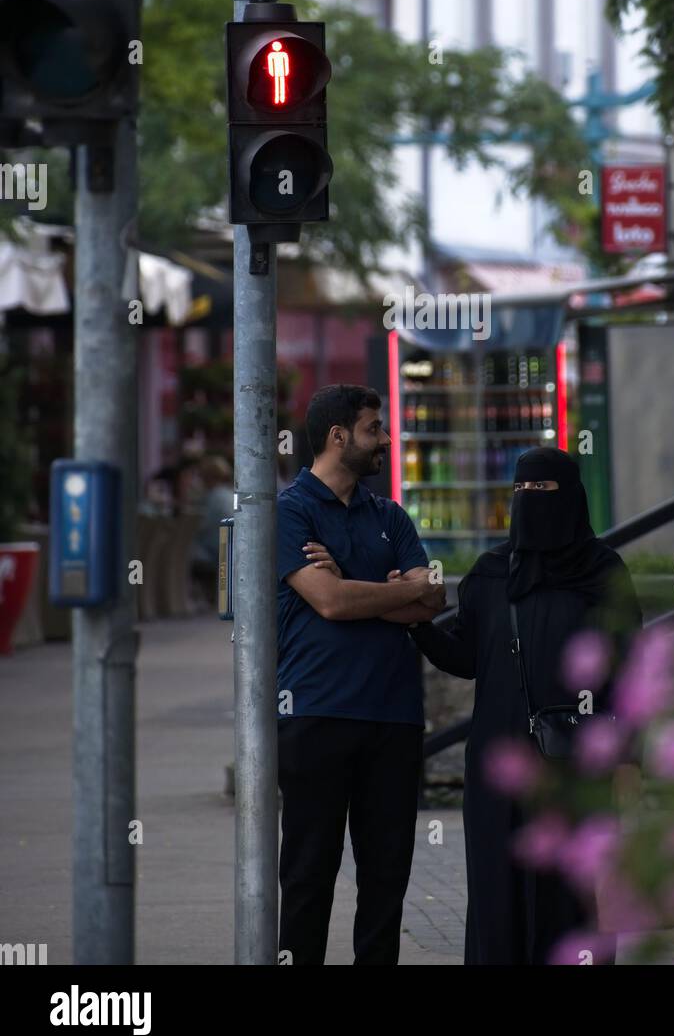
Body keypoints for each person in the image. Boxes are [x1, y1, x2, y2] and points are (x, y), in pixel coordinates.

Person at [408, 446, 642, 966]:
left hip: (577, 766)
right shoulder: (492, 574)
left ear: (573, 499)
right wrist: (416, 625)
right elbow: (467, 657)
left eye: (544, 491)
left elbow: (629, 674)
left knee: (572, 891)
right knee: (499, 890)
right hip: (498, 765)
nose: (531, 502)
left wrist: (628, 760)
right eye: (522, 490)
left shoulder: (603, 574)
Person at [276, 384, 446, 965]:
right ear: (338, 436)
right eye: (376, 428)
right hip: (315, 712)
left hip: (393, 717)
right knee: (307, 875)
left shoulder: (389, 515)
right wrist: (391, 591)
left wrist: (351, 580)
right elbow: (329, 603)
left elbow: (431, 601)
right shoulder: (288, 510)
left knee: (386, 878)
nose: (387, 439)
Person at [189, 454, 235, 602]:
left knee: (183, 552)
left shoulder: (213, 497)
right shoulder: (229, 494)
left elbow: (202, 527)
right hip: (229, 547)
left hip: (216, 549)